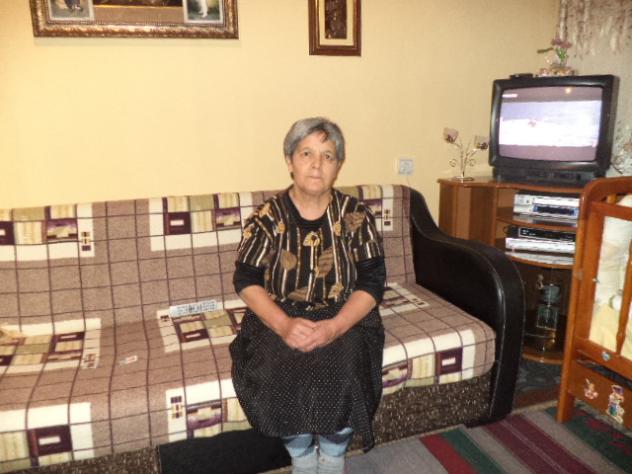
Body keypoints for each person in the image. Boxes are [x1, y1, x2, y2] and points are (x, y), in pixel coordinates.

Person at [230, 117, 386, 474]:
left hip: (344, 312)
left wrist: (335, 327)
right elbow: (246, 279)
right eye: (306, 154)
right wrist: (284, 325)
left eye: (328, 156)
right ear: (290, 161)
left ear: (338, 165)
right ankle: (301, 459)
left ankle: (332, 458)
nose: (317, 164)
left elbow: (373, 281)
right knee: (276, 370)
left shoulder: (355, 215)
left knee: (346, 366)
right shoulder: (267, 217)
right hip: (279, 312)